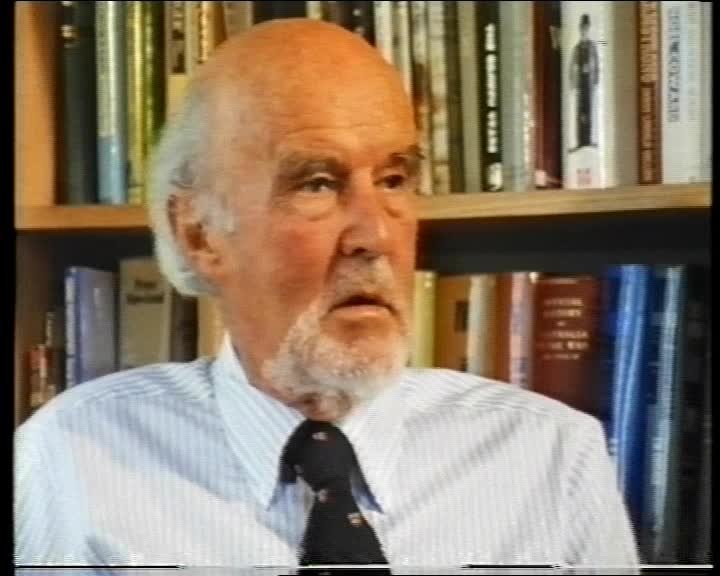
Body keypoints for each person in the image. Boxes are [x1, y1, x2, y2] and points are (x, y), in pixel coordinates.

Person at [15, 19, 638, 570]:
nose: (375, 235)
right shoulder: (75, 456)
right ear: (199, 233)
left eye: (394, 179)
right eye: (316, 183)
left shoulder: (550, 456)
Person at [568, 13, 599, 152]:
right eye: (582, 28)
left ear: (589, 29)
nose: (584, 31)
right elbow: (572, 66)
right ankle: (580, 141)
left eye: (586, 28)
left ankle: (588, 140)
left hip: (589, 82)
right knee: (580, 111)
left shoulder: (592, 46)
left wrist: (596, 79)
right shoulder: (577, 48)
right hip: (580, 82)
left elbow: (597, 64)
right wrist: (573, 83)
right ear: (580, 29)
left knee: (589, 109)